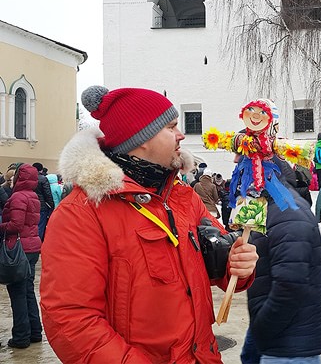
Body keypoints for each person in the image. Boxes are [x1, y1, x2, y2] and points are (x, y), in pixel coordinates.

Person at [40, 86, 258, 363]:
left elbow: (219, 262)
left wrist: (236, 264)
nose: (181, 135)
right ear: (141, 138)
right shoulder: (81, 213)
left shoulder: (183, 197)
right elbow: (71, 321)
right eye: (171, 126)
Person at [239, 156, 321, 364]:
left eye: (242, 166)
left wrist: (262, 326)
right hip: (277, 339)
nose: (237, 175)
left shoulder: (287, 212)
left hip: (288, 348)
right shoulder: (270, 207)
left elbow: (290, 284)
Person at [0, 163, 43, 348]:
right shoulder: (32, 195)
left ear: (19, 177)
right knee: (27, 292)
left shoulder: (18, 197)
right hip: (32, 248)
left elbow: (15, 226)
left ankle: (21, 337)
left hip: (20, 250)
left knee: (17, 293)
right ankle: (35, 332)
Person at [31, 162, 54, 241]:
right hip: (41, 206)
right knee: (40, 226)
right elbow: (47, 194)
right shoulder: (43, 178)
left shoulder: (28, 177)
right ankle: (37, 244)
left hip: (29, 204)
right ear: (41, 170)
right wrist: (52, 205)